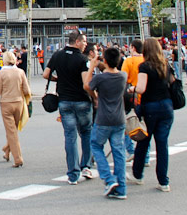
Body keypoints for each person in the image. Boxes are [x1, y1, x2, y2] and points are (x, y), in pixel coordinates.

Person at [44, 31, 95, 185]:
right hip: (81, 101)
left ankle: (73, 174)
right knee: (86, 133)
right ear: (77, 42)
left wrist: (57, 78)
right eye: (84, 41)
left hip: (64, 101)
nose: (86, 44)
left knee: (70, 136)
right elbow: (85, 83)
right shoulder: (82, 59)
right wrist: (95, 97)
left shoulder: (57, 56)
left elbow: (46, 74)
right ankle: (86, 165)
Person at [130, 37, 176, 192]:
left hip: (150, 107)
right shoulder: (165, 65)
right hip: (167, 106)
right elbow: (173, 82)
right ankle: (164, 181)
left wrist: (132, 89)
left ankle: (138, 175)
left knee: (143, 141)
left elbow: (141, 88)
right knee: (162, 144)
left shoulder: (145, 66)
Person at [88, 46, 129, 199]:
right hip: (119, 118)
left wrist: (92, 65)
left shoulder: (100, 78)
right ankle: (121, 188)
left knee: (96, 145)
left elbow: (87, 85)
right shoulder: (123, 76)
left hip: (103, 118)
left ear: (104, 60)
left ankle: (108, 178)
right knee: (118, 152)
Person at [0, 50, 30, 168]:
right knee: (13, 130)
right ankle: (7, 150)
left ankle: (18, 158)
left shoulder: (1, 73)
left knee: (11, 131)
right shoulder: (20, 72)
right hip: (19, 102)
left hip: (6, 103)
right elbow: (27, 90)